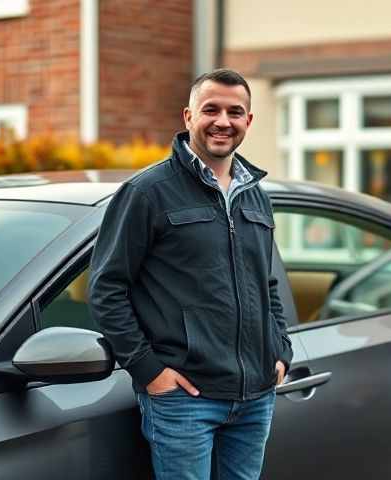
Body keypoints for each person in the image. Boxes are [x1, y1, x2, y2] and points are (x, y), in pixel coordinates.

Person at [88, 68, 292, 480]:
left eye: (235, 112)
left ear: (248, 121)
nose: (223, 121)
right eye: (210, 109)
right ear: (188, 117)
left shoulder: (255, 194)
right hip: (184, 399)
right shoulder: (147, 192)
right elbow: (107, 288)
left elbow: (265, 281)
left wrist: (280, 350)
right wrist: (149, 371)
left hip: (255, 396)